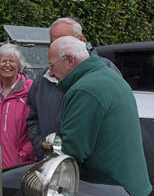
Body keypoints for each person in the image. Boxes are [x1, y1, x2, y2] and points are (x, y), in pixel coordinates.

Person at [50, 35, 153, 196]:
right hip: (125, 186)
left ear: (69, 60)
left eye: (51, 65)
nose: (50, 72)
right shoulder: (108, 76)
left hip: (107, 192)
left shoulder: (83, 90)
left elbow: (73, 151)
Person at [26, 17, 122, 160]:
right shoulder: (43, 78)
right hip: (52, 166)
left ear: (81, 40)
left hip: (91, 169)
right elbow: (32, 119)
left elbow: (115, 123)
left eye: (65, 40)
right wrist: (41, 146)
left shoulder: (106, 71)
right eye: (53, 42)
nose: (58, 46)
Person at [0, 43, 35, 170]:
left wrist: (25, 152)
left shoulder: (30, 89)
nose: (7, 65)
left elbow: (38, 124)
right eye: (3, 61)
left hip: (21, 163)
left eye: (12, 61)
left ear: (19, 65)